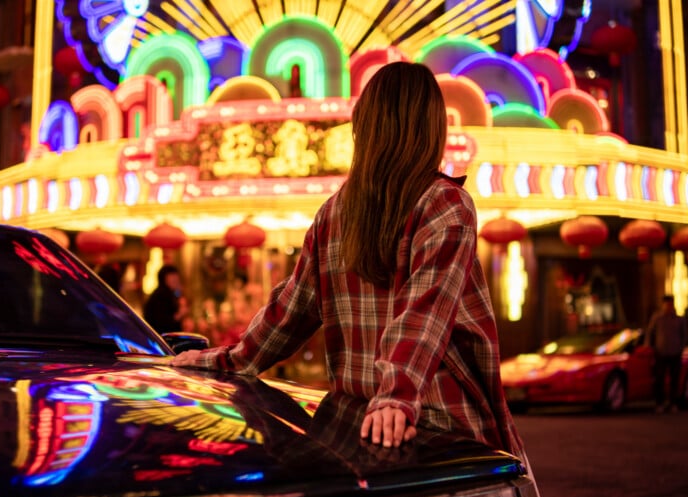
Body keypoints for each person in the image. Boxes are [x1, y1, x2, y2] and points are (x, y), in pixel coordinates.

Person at [170, 62, 525, 460]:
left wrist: (226, 360)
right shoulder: (445, 203)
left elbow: (287, 315)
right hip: (441, 424)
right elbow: (424, 312)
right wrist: (395, 397)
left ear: (365, 128)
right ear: (431, 127)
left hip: (357, 428)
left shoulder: (333, 213)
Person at [645, 294, 688, 413]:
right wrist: (651, 348)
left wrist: (680, 348)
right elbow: (650, 333)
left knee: (675, 379)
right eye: (666, 304)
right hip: (660, 353)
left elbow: (684, 335)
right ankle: (660, 403)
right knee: (659, 379)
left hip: (675, 353)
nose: (668, 306)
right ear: (663, 305)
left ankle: (673, 403)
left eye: (670, 304)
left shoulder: (679, 319)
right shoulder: (657, 318)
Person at [143, 264, 188, 334]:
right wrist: (180, 314)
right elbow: (162, 322)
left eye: (177, 279)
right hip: (162, 338)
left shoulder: (166, 294)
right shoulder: (161, 296)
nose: (176, 281)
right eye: (173, 279)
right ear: (164, 279)